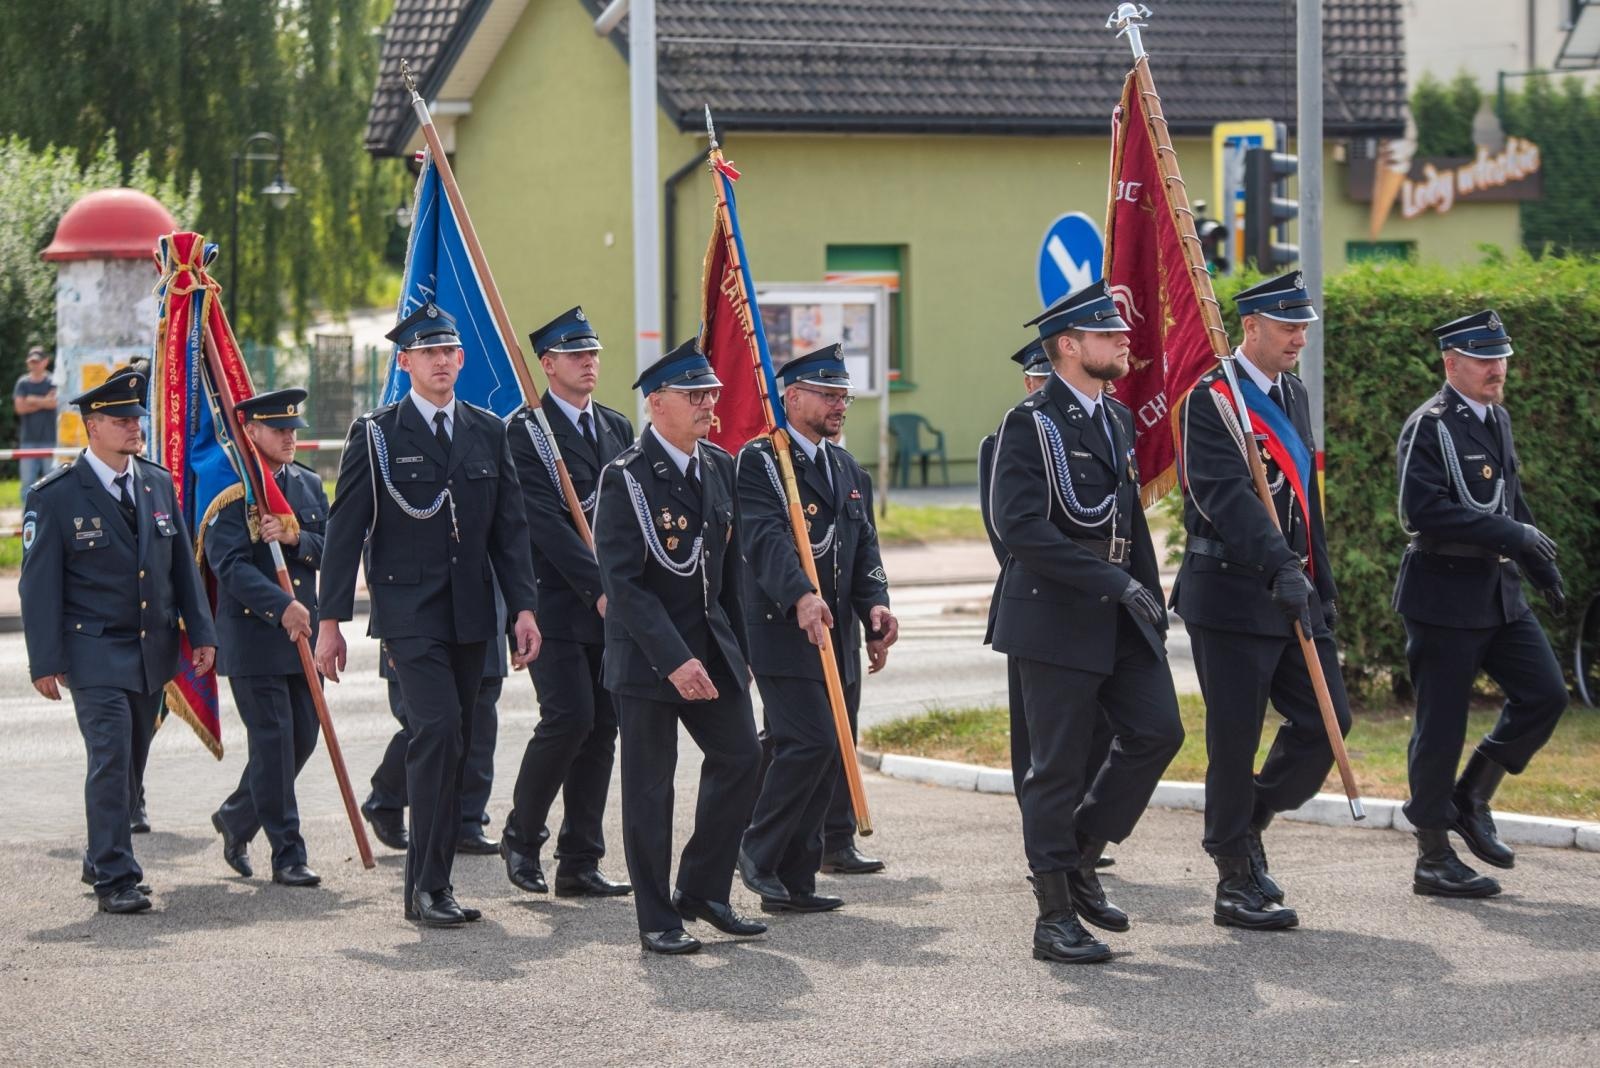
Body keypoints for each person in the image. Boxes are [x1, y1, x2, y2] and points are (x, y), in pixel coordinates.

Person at [315, 303, 541, 928]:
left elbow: (510, 529)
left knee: (459, 742)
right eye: (427, 353)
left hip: (473, 611)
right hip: (409, 611)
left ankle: (429, 883)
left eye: (449, 352)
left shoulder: (489, 431)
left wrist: (523, 606)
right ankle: (425, 885)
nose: (441, 362)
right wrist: (329, 621)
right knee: (436, 729)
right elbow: (345, 529)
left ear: (461, 361)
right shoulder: (378, 434)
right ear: (405, 362)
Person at [991, 281, 1183, 964]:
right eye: (1109, 336)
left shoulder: (1117, 419)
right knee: (1058, 769)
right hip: (1054, 615)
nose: (1124, 342)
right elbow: (1020, 529)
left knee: (1160, 730)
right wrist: (1113, 582)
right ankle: (1053, 919)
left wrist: (1150, 597)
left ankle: (1079, 857)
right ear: (1070, 347)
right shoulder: (1031, 423)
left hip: (1118, 610)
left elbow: (1129, 524)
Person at [1171, 270, 1350, 932]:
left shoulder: (1294, 394)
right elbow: (1224, 498)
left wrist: (1320, 584)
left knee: (1326, 724)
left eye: (1303, 325)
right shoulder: (1213, 399)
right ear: (1251, 327)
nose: (1299, 336)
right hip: (1231, 595)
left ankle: (1249, 821)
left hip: (1292, 590)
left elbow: (1303, 501)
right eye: (1287, 325)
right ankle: (1232, 877)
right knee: (1234, 737)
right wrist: (1280, 565)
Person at [19, 366, 217, 914]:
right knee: (110, 756)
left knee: (132, 762)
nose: (135, 426)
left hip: (150, 650)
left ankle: (100, 853)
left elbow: (181, 568)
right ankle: (114, 876)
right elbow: (37, 587)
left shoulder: (155, 482)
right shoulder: (55, 496)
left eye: (137, 416)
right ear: (92, 426)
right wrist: (45, 661)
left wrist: (201, 633)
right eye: (122, 418)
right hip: (93, 650)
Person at [593, 339, 764, 955]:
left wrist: (741, 652)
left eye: (711, 393)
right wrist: (674, 659)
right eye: (695, 394)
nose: (708, 403)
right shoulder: (627, 479)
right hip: (648, 658)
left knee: (743, 757)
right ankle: (657, 916)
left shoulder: (719, 466)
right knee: (650, 788)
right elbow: (625, 583)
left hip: (711, 650)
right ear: (655, 404)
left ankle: (703, 889)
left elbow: (729, 576)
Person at [1393, 309, 1568, 898]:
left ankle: (1471, 796)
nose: (1498, 369)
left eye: (1501, 358)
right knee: (1440, 726)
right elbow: (1422, 511)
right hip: (1443, 592)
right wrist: (1511, 536)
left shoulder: (1498, 417)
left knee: (1546, 694)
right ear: (1452, 364)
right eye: (1484, 359)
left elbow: (1508, 498)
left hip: (1499, 594)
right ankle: (1434, 855)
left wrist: (1538, 559)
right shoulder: (1431, 424)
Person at [736, 344, 896, 914]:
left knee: (828, 752)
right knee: (809, 742)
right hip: (783, 632)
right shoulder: (761, 461)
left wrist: (876, 608)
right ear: (792, 396)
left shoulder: (847, 469)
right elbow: (764, 540)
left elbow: (864, 549)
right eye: (827, 394)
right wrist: (800, 595)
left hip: (838, 639)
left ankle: (796, 878)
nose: (839, 405)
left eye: (843, 395)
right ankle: (756, 848)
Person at [501, 307, 633, 899]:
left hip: (614, 603)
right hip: (553, 600)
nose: (589, 364)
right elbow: (544, 523)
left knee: (604, 724)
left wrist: (625, 588)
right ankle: (521, 836)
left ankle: (580, 860)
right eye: (575, 355)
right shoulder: (524, 430)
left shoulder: (616, 427)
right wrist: (601, 586)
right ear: (547, 364)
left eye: (593, 354)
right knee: (569, 717)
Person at [978, 337, 1118, 868]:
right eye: (1037, 380)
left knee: (1099, 730)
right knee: (1039, 744)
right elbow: (1006, 531)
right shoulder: (1009, 437)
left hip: (1093, 601)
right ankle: (1046, 840)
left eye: (1047, 378)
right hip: (1038, 598)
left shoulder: (1101, 425)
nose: (1043, 388)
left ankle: (1077, 829)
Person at [203, 388, 328, 887]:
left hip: (303, 636)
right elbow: (228, 565)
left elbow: (333, 546)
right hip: (256, 636)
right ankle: (288, 853)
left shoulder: (308, 485)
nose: (289, 438)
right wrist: (281, 607)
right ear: (250, 431)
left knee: (302, 738)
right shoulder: (232, 490)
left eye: (293, 429)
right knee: (274, 742)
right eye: (278, 430)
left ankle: (237, 815)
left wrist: (297, 538)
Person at [363, 607, 507, 854]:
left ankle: (467, 820)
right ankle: (387, 797)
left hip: (485, 617)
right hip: (418, 615)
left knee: (480, 721)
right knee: (430, 728)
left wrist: (518, 621)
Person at [14, 347, 58, 487]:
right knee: (27, 482)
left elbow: (54, 404)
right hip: (28, 441)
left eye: (37, 362)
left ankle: (51, 510)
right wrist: (44, 401)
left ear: (45, 362)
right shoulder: (23, 383)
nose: (34, 365)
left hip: (50, 439)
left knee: (51, 481)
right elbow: (20, 408)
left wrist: (31, 399)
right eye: (31, 362)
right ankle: (27, 510)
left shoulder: (53, 381)